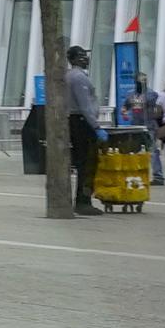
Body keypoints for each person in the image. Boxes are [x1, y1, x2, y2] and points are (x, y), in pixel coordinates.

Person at [63, 46, 102, 217]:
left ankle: (82, 199)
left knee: (83, 163)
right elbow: (85, 105)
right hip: (82, 122)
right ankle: (83, 201)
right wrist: (96, 126)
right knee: (87, 164)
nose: (85, 59)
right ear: (74, 59)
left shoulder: (71, 76)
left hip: (76, 120)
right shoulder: (78, 78)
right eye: (81, 56)